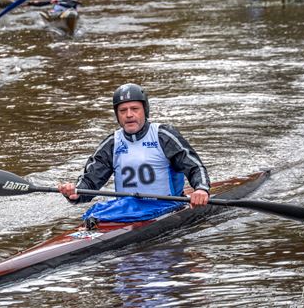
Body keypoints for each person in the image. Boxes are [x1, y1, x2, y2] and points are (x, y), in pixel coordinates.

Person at [58, 83, 210, 226]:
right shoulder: (112, 143)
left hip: (166, 206)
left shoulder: (163, 135)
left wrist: (201, 189)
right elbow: (89, 183)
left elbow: (195, 167)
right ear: (117, 115)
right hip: (126, 210)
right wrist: (74, 192)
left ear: (145, 110)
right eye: (123, 111)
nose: (129, 115)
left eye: (134, 109)